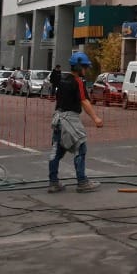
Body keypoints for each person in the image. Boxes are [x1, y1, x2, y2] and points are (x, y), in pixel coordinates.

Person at [48, 51, 102, 193]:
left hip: (58, 118)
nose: (86, 70)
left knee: (56, 150)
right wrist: (95, 118)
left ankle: (53, 183)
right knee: (80, 147)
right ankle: (82, 182)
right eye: (84, 67)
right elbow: (84, 100)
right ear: (78, 67)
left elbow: (53, 81)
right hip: (69, 119)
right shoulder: (77, 81)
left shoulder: (63, 79)